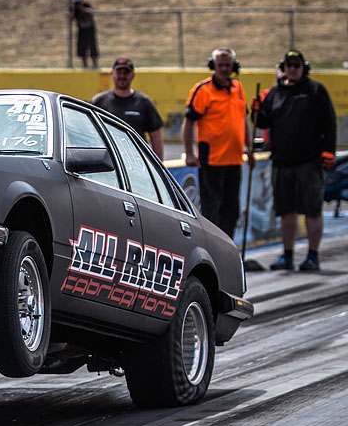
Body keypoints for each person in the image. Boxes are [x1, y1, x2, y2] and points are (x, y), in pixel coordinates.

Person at [255, 49, 337, 271]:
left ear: (304, 68)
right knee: (286, 211)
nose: (292, 69)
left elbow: (329, 121)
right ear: (283, 68)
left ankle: (313, 256)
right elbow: (263, 122)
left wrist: (329, 151)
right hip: (282, 161)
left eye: (296, 65)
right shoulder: (275, 93)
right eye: (288, 65)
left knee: (312, 210)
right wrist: (255, 111)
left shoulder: (315, 91)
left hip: (309, 161)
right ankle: (288, 255)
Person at [182, 47, 253, 239]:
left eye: (227, 65)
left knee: (231, 210)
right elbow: (189, 122)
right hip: (212, 160)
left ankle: (228, 246)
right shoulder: (202, 90)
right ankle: (212, 247)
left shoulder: (238, 88)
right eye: (220, 65)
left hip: (234, 159)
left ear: (234, 66)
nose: (223, 69)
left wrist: (250, 148)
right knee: (212, 210)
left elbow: (243, 120)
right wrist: (189, 153)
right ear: (213, 66)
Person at [91, 57, 165, 160]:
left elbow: (155, 136)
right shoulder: (99, 101)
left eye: (126, 73)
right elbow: (89, 133)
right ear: (112, 73)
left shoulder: (144, 102)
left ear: (133, 75)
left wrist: (158, 164)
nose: (122, 76)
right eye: (119, 72)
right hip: (108, 161)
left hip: (137, 161)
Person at [70, 0, 98, 69]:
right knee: (82, 49)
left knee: (92, 47)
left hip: (90, 29)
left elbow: (91, 12)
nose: (77, 4)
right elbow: (70, 19)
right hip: (81, 30)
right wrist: (74, 9)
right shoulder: (73, 9)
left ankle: (95, 65)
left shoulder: (86, 5)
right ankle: (85, 66)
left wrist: (81, 8)